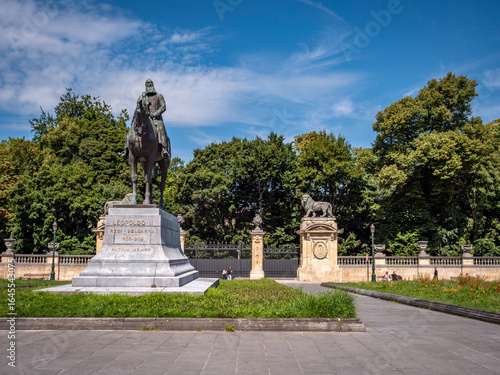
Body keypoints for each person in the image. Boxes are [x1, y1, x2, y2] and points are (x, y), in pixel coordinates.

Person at [119, 79, 170, 160]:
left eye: (151, 83)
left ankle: (163, 148)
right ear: (145, 85)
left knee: (160, 128)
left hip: (156, 119)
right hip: (144, 119)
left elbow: (163, 107)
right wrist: (133, 121)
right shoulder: (142, 97)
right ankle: (126, 150)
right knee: (131, 130)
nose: (149, 84)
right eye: (147, 83)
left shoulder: (159, 95)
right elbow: (137, 109)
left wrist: (155, 114)